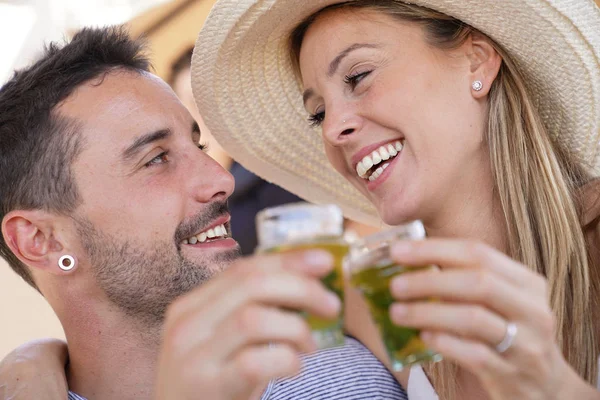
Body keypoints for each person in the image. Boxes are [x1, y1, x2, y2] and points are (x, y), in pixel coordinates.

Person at [185, 0, 600, 399]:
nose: (332, 130)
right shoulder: (377, 301)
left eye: (358, 76)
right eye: (318, 113)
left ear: (476, 60)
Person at [0, 26, 408, 399]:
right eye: (156, 158)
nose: (221, 179)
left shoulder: (361, 342)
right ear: (43, 240)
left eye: (198, 146)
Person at [169, 49, 304, 255]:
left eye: (213, 97)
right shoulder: (188, 205)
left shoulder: (282, 165)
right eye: (196, 103)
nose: (208, 113)